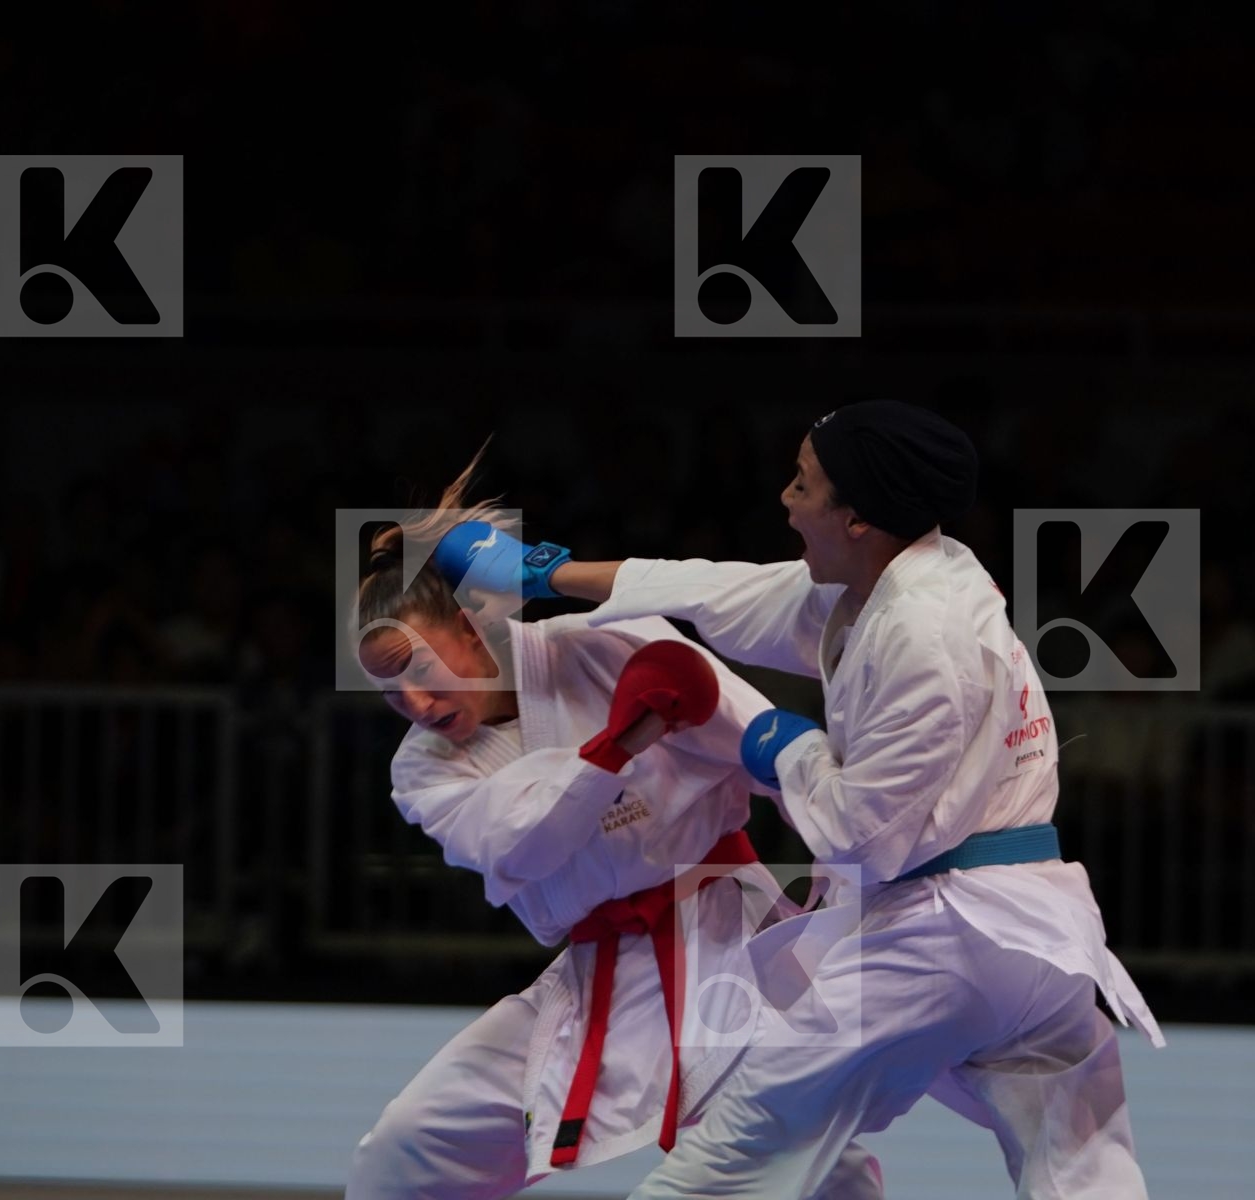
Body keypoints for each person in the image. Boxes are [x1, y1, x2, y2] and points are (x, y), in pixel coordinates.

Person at [452, 402, 1163, 1198]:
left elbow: (864, 837)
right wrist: (549, 572)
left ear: (856, 517)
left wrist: (782, 745)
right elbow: (721, 592)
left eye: (803, 484)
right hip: (1038, 943)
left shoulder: (921, 635)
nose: (786, 501)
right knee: (1082, 1163)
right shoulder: (901, 578)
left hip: (942, 938)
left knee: (729, 1161)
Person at [342, 461, 883, 1200]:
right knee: (409, 1145)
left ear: (470, 627)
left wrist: (865, 845)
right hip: (596, 965)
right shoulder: (422, 769)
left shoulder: (601, 642)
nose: (413, 700)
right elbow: (517, 843)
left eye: (420, 670)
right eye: (389, 691)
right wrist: (612, 751)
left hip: (726, 934)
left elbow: (764, 742)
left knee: (812, 1154)